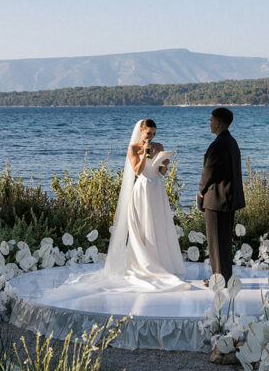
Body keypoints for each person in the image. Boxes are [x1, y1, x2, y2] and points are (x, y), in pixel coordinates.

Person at [50, 118, 190, 296]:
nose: (152, 137)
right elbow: (137, 171)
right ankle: (144, 263)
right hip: (143, 188)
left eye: (154, 134)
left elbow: (161, 172)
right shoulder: (133, 148)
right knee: (143, 226)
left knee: (159, 224)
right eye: (149, 133)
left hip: (157, 189)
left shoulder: (159, 146)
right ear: (141, 131)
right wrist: (145, 154)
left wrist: (164, 166)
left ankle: (162, 261)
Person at [197, 107, 245, 285]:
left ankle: (219, 279)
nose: (209, 123)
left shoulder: (218, 144)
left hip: (216, 199)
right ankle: (224, 276)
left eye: (211, 120)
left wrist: (201, 191)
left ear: (218, 123)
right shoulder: (231, 142)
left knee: (215, 241)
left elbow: (209, 172)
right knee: (224, 240)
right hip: (229, 198)